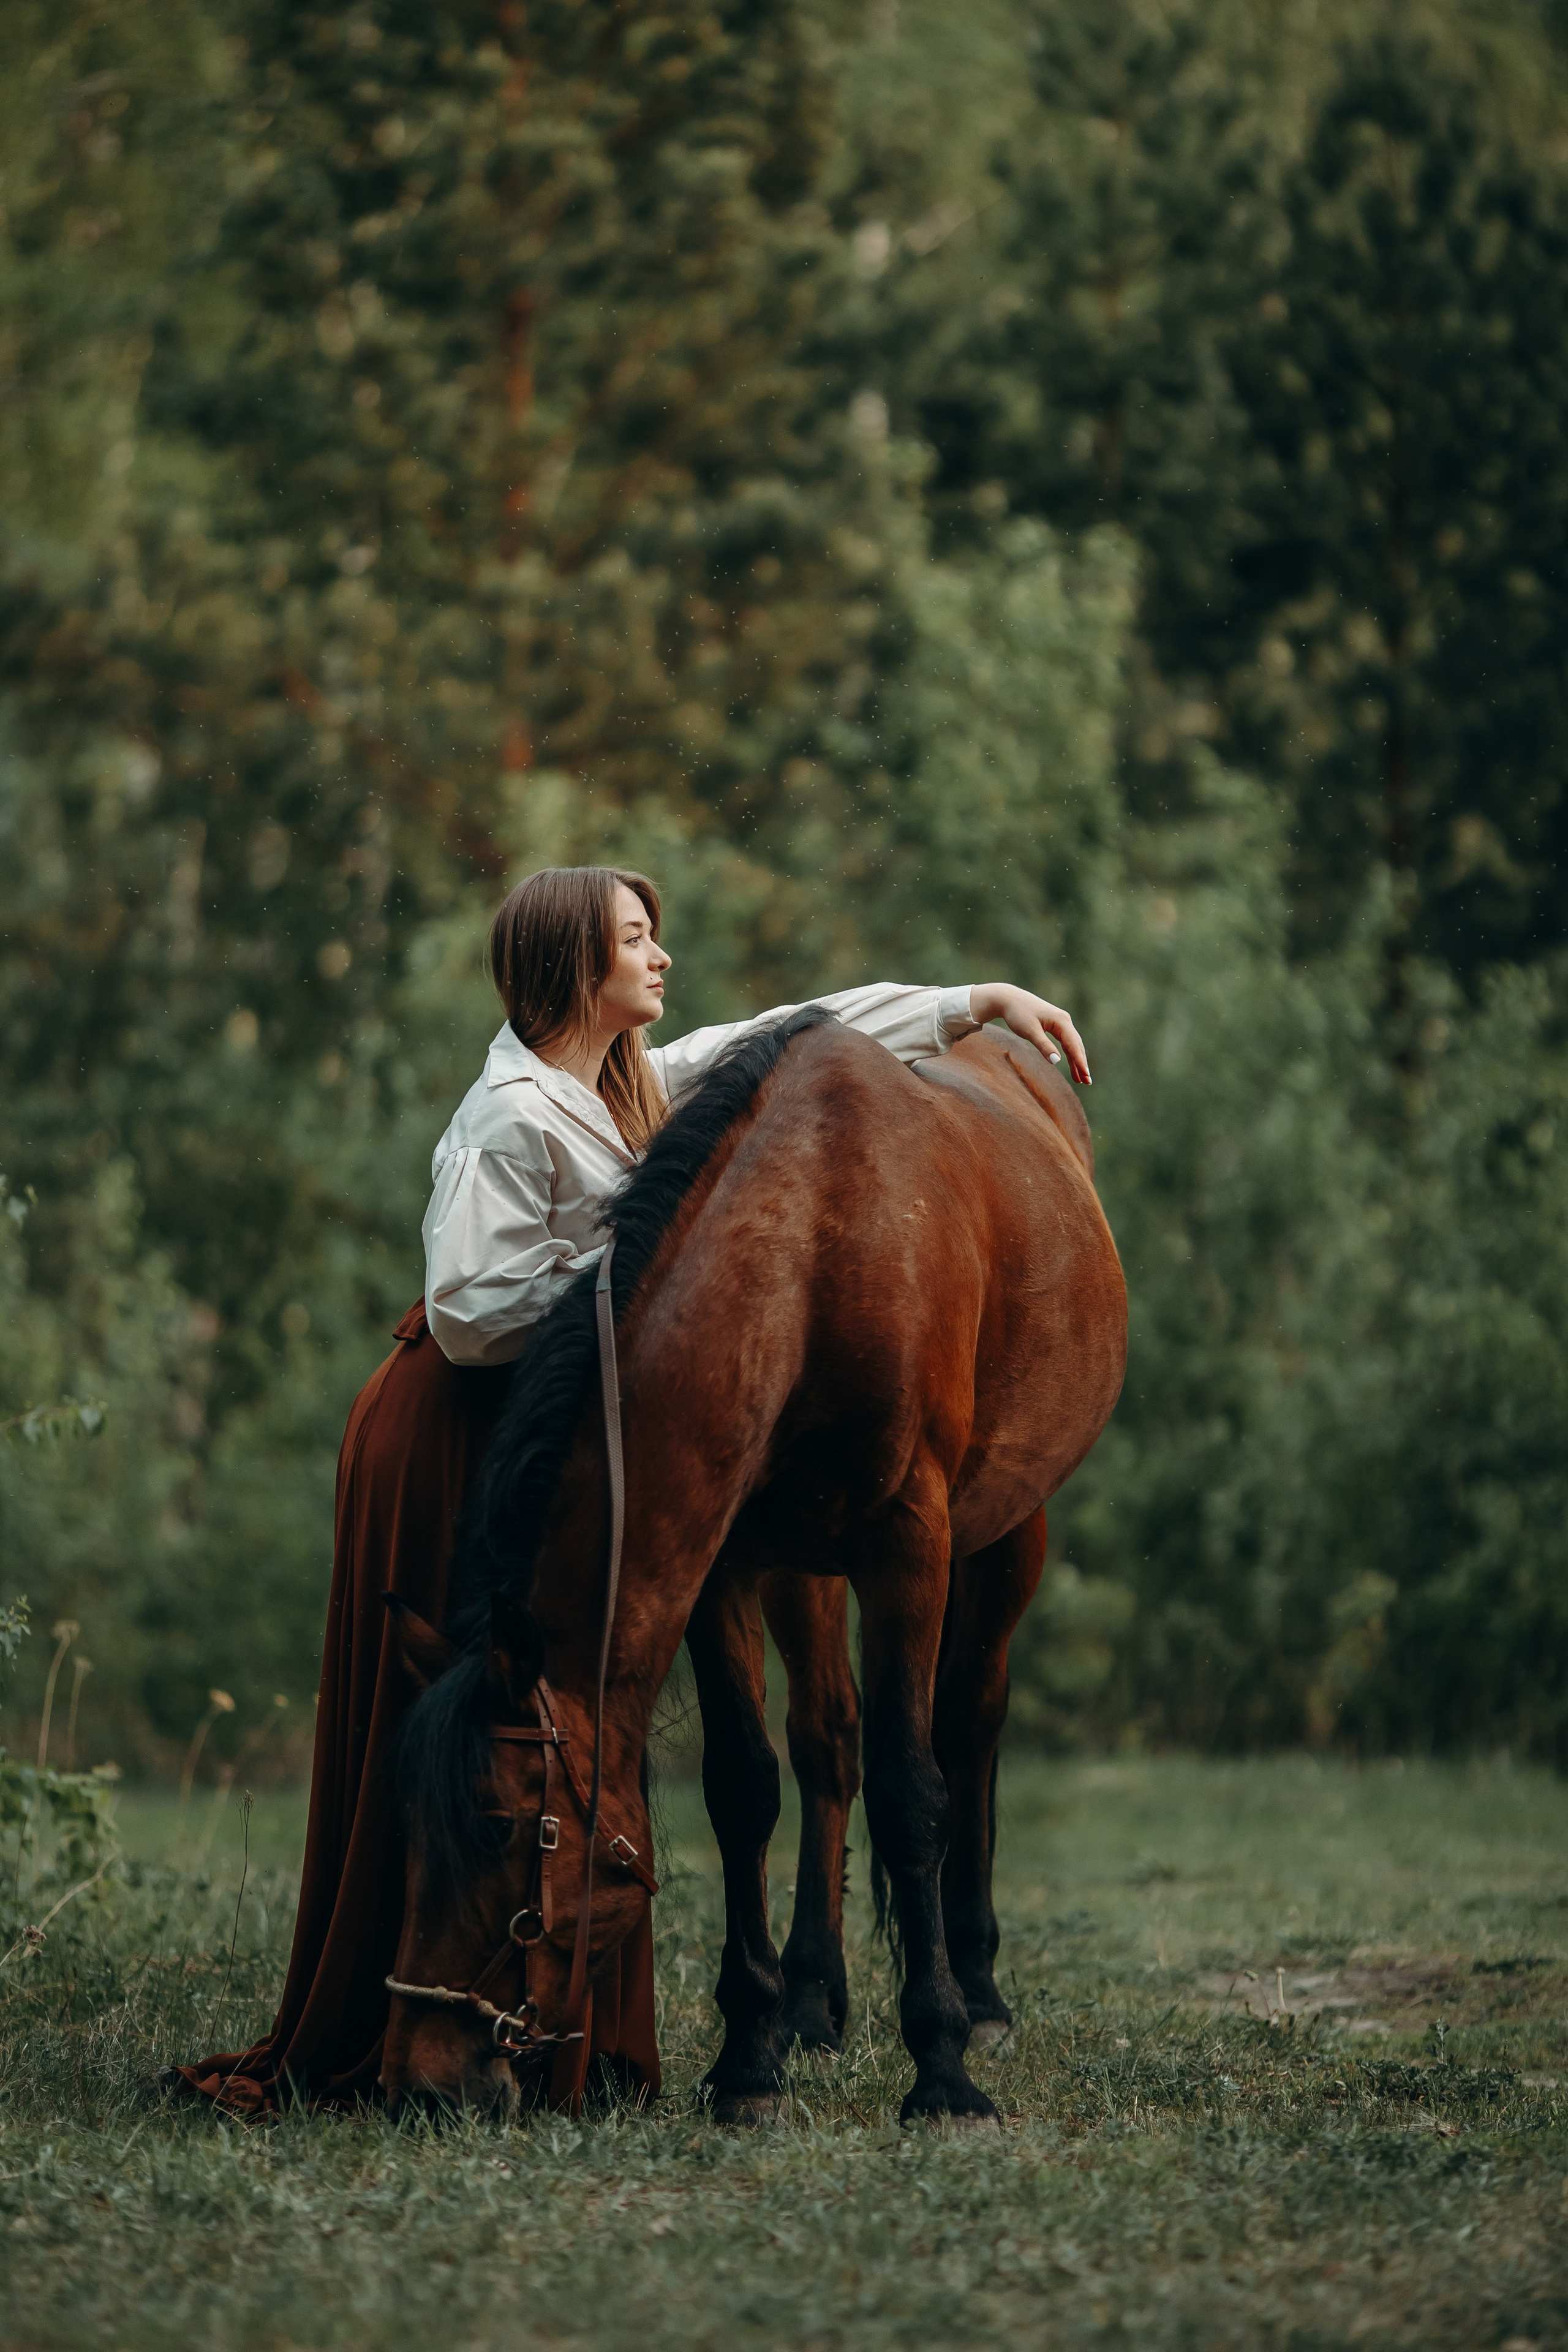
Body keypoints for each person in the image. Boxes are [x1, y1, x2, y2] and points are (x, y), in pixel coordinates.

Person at [175, 865, 1088, 2115]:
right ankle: (412, 2005)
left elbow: (792, 1038)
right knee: (489, 1721)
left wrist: (968, 1003)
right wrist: (648, 1267)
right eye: (634, 940)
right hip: (451, 1425)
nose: (659, 957)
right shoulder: (509, 1114)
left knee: (536, 1721)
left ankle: (548, 2022)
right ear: (573, 970)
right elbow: (465, 1312)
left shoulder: (625, 1080)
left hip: (558, 1423)